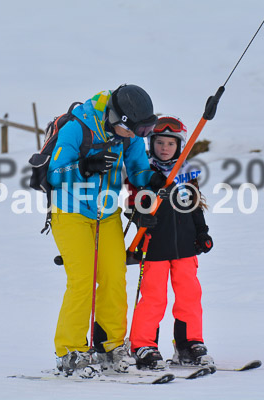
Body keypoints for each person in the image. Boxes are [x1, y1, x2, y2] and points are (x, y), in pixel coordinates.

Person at [47, 84, 169, 376]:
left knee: (114, 277)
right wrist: (85, 166)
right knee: (83, 280)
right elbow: (54, 173)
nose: (137, 137)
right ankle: (70, 351)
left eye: (143, 132)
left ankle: (109, 347)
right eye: (134, 131)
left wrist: (151, 180)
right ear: (116, 118)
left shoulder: (130, 136)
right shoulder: (79, 126)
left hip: (107, 213)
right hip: (69, 213)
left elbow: (138, 168)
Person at [127, 115, 214, 370]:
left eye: (171, 144)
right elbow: (132, 205)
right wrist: (143, 215)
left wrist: (202, 233)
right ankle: (144, 345)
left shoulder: (186, 174)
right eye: (159, 143)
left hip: (186, 248)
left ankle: (189, 344)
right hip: (154, 246)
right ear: (151, 144)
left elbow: (194, 207)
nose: (164, 148)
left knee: (189, 297)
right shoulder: (144, 173)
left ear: (180, 146)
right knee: (154, 298)